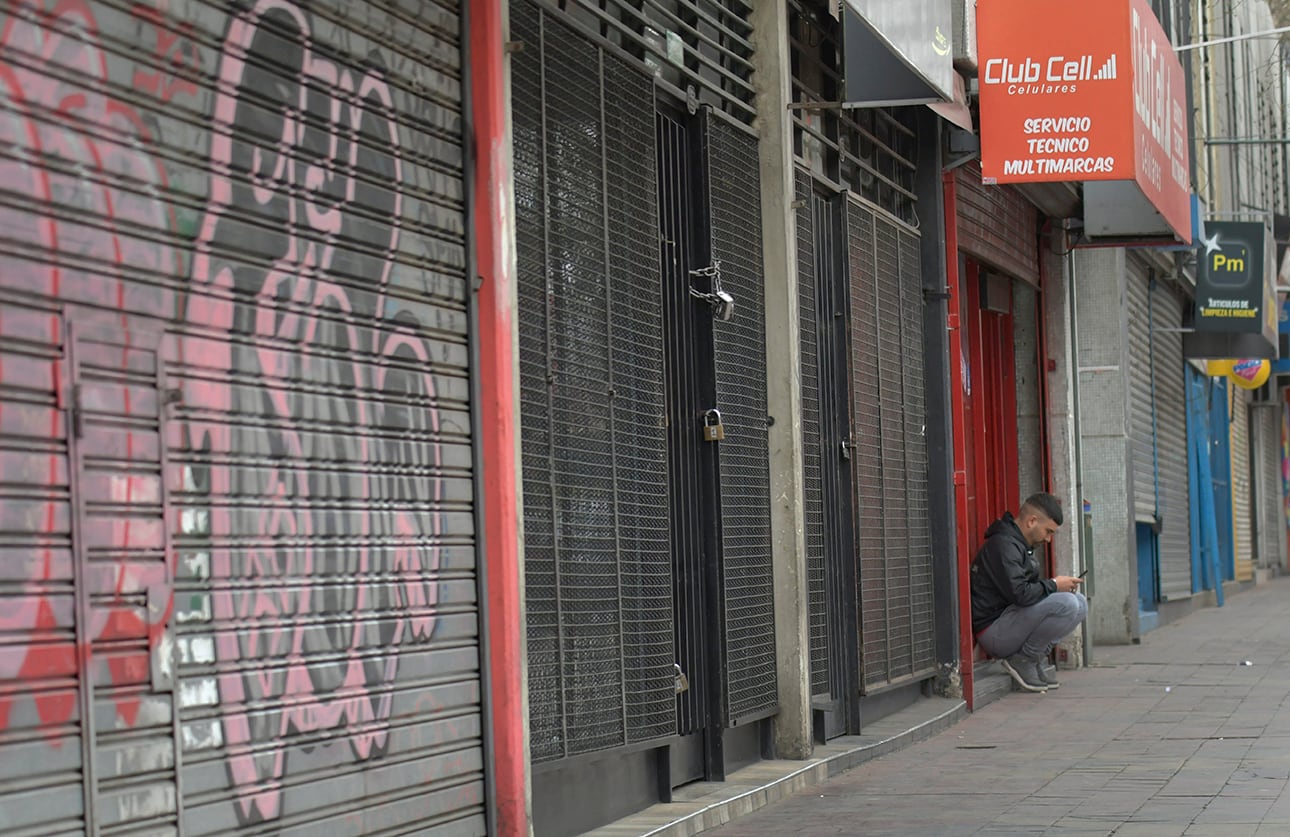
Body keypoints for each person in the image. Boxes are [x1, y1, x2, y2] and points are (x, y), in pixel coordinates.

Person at [970, 492, 1088, 693]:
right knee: (1068, 603)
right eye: (1048, 531)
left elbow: (1025, 595)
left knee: (1080, 602)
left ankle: (1035, 656)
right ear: (1032, 521)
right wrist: (1053, 585)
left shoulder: (1020, 545)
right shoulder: (1004, 545)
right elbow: (1021, 594)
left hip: (1009, 622)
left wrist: (1054, 587)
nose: (1049, 539)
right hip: (994, 632)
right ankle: (1024, 659)